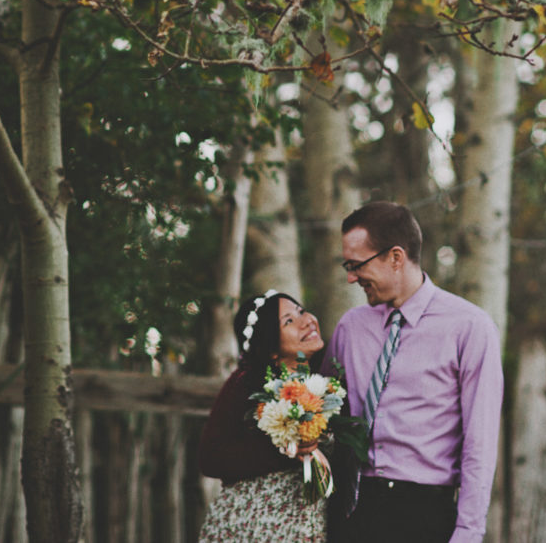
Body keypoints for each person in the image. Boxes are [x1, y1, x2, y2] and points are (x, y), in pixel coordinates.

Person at [323, 201, 504, 543]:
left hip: (424, 516)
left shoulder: (470, 327)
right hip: (351, 511)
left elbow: (479, 444)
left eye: (356, 265)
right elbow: (322, 417)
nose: (350, 277)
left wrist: (468, 532)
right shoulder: (350, 328)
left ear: (396, 257)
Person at [198, 289, 330, 542]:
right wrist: (289, 448)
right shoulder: (244, 385)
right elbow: (210, 458)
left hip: (310, 524)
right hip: (251, 523)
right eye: (289, 321)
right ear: (271, 348)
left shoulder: (329, 380)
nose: (307, 320)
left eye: (301, 311)